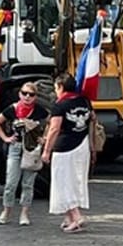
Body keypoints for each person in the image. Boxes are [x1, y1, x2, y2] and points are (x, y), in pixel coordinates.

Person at [42, 73, 95, 233]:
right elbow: (92, 118)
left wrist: (46, 151)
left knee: (63, 182)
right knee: (76, 180)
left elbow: (54, 128)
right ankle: (68, 217)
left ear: (60, 87)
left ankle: (77, 216)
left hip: (65, 148)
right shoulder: (85, 101)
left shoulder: (60, 105)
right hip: (82, 145)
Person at [0, 80, 50, 226]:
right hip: (15, 147)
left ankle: (24, 213)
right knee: (11, 182)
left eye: (31, 94)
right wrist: (6, 138)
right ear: (19, 94)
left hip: (31, 149)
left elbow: (52, 122)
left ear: (35, 96)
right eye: (24, 93)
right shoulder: (13, 109)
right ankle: (6, 211)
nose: (27, 97)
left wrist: (45, 138)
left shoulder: (39, 110)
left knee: (28, 183)